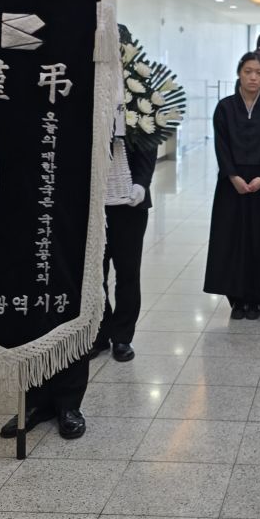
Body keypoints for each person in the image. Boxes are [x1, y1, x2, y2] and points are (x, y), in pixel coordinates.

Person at [203, 52, 260, 319]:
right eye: (248, 71)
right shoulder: (225, 107)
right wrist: (233, 176)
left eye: (259, 73)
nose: (253, 77)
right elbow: (221, 145)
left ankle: (257, 298)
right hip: (232, 184)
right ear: (239, 73)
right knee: (232, 240)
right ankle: (236, 298)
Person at [95, 115, 159, 362]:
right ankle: (99, 333)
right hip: (95, 203)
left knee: (128, 272)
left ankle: (122, 336)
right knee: (95, 275)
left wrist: (141, 183)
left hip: (131, 203)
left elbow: (148, 143)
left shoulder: (136, 100)